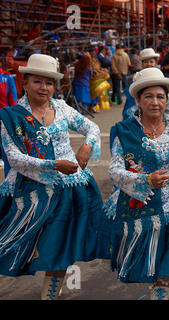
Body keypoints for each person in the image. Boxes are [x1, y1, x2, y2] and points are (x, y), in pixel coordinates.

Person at [98, 68, 169, 300]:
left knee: (168, 258)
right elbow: (115, 171)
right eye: (148, 96)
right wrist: (145, 180)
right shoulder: (125, 131)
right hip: (139, 205)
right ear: (137, 100)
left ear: (167, 99)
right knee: (149, 259)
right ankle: (157, 290)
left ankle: (161, 292)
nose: (155, 102)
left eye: (160, 96)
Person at [0, 53, 103, 299]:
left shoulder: (62, 108)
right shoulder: (11, 116)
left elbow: (92, 127)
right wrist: (54, 165)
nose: (43, 87)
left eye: (49, 82)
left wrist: (87, 145)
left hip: (69, 188)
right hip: (28, 188)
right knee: (12, 241)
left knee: (60, 241)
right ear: (24, 83)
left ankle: (51, 291)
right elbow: (14, 158)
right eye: (37, 81)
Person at [122, 48, 161, 120]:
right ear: (142, 64)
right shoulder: (137, 78)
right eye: (145, 62)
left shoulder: (161, 77)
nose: (149, 64)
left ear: (156, 63)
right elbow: (130, 100)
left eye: (151, 61)